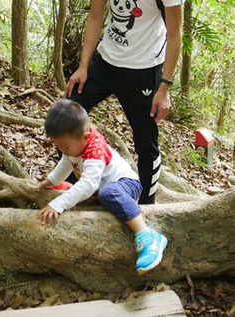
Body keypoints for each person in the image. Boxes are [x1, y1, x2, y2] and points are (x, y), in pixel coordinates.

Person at [65, 0, 184, 204]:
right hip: (105, 63)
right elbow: (95, 16)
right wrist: (83, 66)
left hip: (144, 70)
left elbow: (175, 35)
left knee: (146, 143)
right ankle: (72, 187)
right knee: (66, 117)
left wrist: (164, 88)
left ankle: (146, 207)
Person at [38, 99, 168, 275]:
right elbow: (66, 162)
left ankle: (147, 236)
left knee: (108, 193)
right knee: (71, 189)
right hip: (101, 190)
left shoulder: (94, 149)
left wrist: (58, 205)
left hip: (126, 185)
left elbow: (89, 184)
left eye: (65, 146)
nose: (63, 150)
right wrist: (52, 180)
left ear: (85, 138)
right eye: (58, 146)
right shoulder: (75, 147)